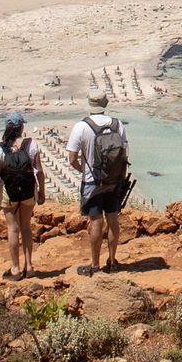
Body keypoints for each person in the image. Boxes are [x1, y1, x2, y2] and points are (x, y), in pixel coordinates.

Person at [67, 93, 130, 275]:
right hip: (114, 181)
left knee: (96, 222)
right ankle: (112, 261)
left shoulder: (82, 126)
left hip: (92, 182)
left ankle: (94, 265)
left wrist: (84, 171)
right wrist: (120, 178)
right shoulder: (118, 125)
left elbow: (72, 158)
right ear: (105, 104)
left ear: (89, 104)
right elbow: (124, 155)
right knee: (112, 220)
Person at [0, 112, 45, 280]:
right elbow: (39, 171)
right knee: (26, 227)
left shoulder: (0, 148)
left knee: (13, 229)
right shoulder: (30, 145)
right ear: (21, 127)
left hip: (9, 193)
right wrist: (42, 191)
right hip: (28, 192)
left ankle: (15, 269)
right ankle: (29, 266)